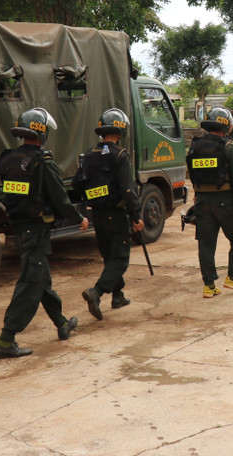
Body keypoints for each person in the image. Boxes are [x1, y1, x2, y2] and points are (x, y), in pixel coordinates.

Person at [0, 108, 88, 358]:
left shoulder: (9, 159)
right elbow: (60, 198)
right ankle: (6, 339)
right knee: (29, 283)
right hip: (36, 231)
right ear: (42, 133)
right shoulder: (42, 162)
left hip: (20, 227)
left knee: (41, 280)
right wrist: (80, 218)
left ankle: (62, 323)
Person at [73, 108, 144, 320]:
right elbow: (128, 190)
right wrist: (137, 216)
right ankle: (97, 292)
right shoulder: (120, 155)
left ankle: (118, 295)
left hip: (98, 215)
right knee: (120, 259)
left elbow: (77, 183)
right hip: (116, 213)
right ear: (120, 132)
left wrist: (91, 197)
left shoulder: (88, 154)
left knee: (110, 257)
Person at [186, 107, 233, 297]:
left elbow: (192, 172)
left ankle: (209, 286)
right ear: (227, 126)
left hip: (202, 202)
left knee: (206, 244)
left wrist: (198, 192)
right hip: (226, 202)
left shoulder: (195, 145)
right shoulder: (229, 146)